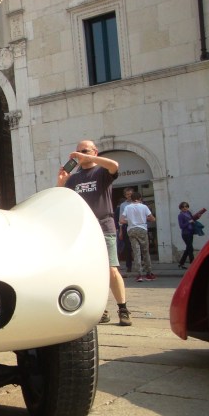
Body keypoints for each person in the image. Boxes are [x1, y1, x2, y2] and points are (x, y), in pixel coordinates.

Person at [58, 139, 132, 326]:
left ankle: (123, 308)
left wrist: (89, 159)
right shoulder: (73, 179)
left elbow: (114, 165)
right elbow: (60, 199)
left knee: (111, 269)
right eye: (77, 151)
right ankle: (101, 310)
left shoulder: (102, 172)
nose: (79, 155)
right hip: (83, 229)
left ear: (95, 152)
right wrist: (61, 182)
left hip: (104, 226)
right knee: (88, 271)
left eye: (84, 151)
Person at [120, 192, 156, 282]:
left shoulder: (127, 207)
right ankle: (149, 273)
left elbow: (121, 220)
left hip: (131, 230)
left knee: (136, 252)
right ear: (140, 198)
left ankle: (139, 275)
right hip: (142, 229)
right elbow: (152, 218)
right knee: (145, 252)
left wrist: (130, 221)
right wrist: (144, 218)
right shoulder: (144, 207)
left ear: (131, 199)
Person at [177, 202, 206, 269]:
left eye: (186, 206)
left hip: (190, 233)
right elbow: (181, 226)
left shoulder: (188, 213)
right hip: (185, 234)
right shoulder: (180, 215)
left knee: (188, 248)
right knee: (190, 248)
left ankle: (181, 263)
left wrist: (198, 217)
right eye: (183, 207)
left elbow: (193, 220)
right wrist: (188, 222)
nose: (185, 208)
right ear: (180, 208)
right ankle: (193, 264)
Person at [114, 187, 134, 276]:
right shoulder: (123, 205)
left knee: (139, 247)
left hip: (136, 227)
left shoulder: (138, 203)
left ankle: (141, 264)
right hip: (126, 227)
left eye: (130, 194)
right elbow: (120, 218)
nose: (129, 196)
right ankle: (129, 266)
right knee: (128, 247)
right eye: (127, 194)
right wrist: (121, 231)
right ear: (125, 195)